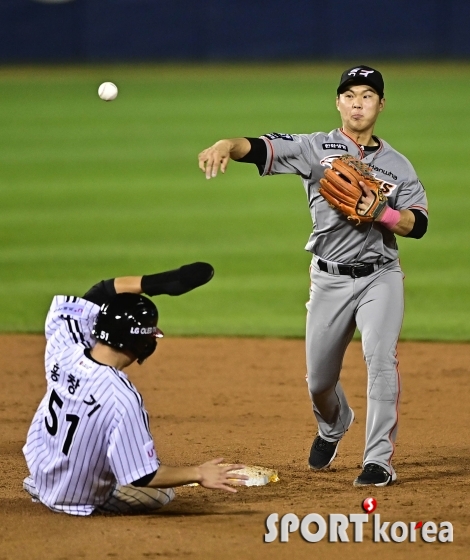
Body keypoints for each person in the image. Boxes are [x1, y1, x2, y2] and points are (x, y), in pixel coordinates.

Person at [197, 65, 428, 487]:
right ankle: (333, 424)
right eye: (349, 95)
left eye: (367, 95)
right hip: (329, 279)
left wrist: (383, 213)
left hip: (381, 277)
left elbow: (419, 225)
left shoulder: (399, 166)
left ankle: (378, 461)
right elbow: (260, 147)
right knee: (320, 381)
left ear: (381, 104)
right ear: (338, 102)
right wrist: (226, 144)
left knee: (381, 361)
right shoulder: (313, 148)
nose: (358, 103)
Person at [23, 262, 247, 515]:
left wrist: (163, 282)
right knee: (162, 492)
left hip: (42, 473)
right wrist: (199, 473)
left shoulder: (64, 347)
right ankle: (72, 497)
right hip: (77, 498)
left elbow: (98, 294)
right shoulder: (121, 397)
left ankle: (41, 486)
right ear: (140, 342)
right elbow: (143, 475)